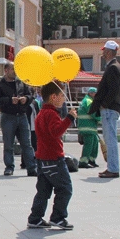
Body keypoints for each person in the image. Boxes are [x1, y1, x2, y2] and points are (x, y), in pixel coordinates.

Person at [27, 81, 77, 230]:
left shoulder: (42, 113)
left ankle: (35, 218)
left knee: (43, 190)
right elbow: (56, 132)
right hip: (54, 159)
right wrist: (69, 118)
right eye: (62, 95)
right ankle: (58, 217)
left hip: (42, 158)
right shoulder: (51, 114)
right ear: (53, 97)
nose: (64, 98)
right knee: (65, 188)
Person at [0, 62, 37, 177]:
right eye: (13, 69)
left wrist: (25, 99)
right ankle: (9, 167)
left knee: (27, 143)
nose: (15, 71)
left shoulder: (21, 83)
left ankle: (31, 168)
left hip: (22, 116)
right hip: (8, 117)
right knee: (8, 144)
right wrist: (9, 100)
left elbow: (31, 95)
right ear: (6, 70)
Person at [89, 40, 120, 178]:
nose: (103, 54)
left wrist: (104, 104)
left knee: (110, 139)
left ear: (108, 52)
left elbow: (113, 89)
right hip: (111, 108)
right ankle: (112, 167)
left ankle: (113, 168)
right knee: (110, 139)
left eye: (104, 51)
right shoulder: (116, 66)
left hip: (109, 108)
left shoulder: (112, 67)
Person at [77, 87, 100, 168]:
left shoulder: (88, 100)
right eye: (95, 93)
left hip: (89, 127)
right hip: (87, 127)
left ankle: (91, 159)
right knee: (89, 144)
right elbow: (93, 112)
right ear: (91, 93)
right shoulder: (88, 101)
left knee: (94, 143)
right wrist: (100, 118)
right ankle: (83, 161)